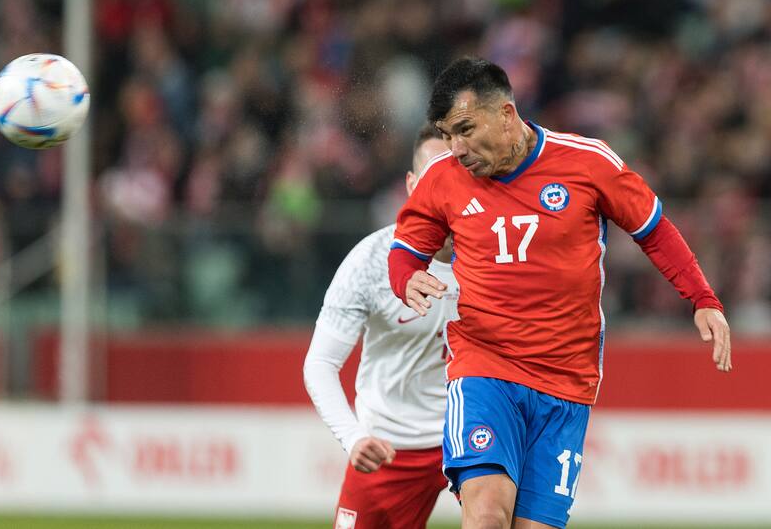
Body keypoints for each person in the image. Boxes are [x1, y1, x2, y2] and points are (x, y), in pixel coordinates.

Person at [388, 57, 732, 529]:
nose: (456, 147)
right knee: (486, 514)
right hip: (485, 366)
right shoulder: (442, 178)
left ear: (506, 114)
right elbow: (406, 248)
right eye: (447, 135)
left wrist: (702, 298)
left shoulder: (588, 162)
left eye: (465, 129)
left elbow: (653, 230)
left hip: (566, 381)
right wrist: (405, 276)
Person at [303, 123, 460, 529]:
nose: (446, 187)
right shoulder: (371, 260)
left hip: (473, 437)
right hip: (392, 446)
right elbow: (319, 364)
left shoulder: (498, 258)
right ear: (412, 185)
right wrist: (354, 439)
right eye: (433, 176)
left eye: (456, 173)